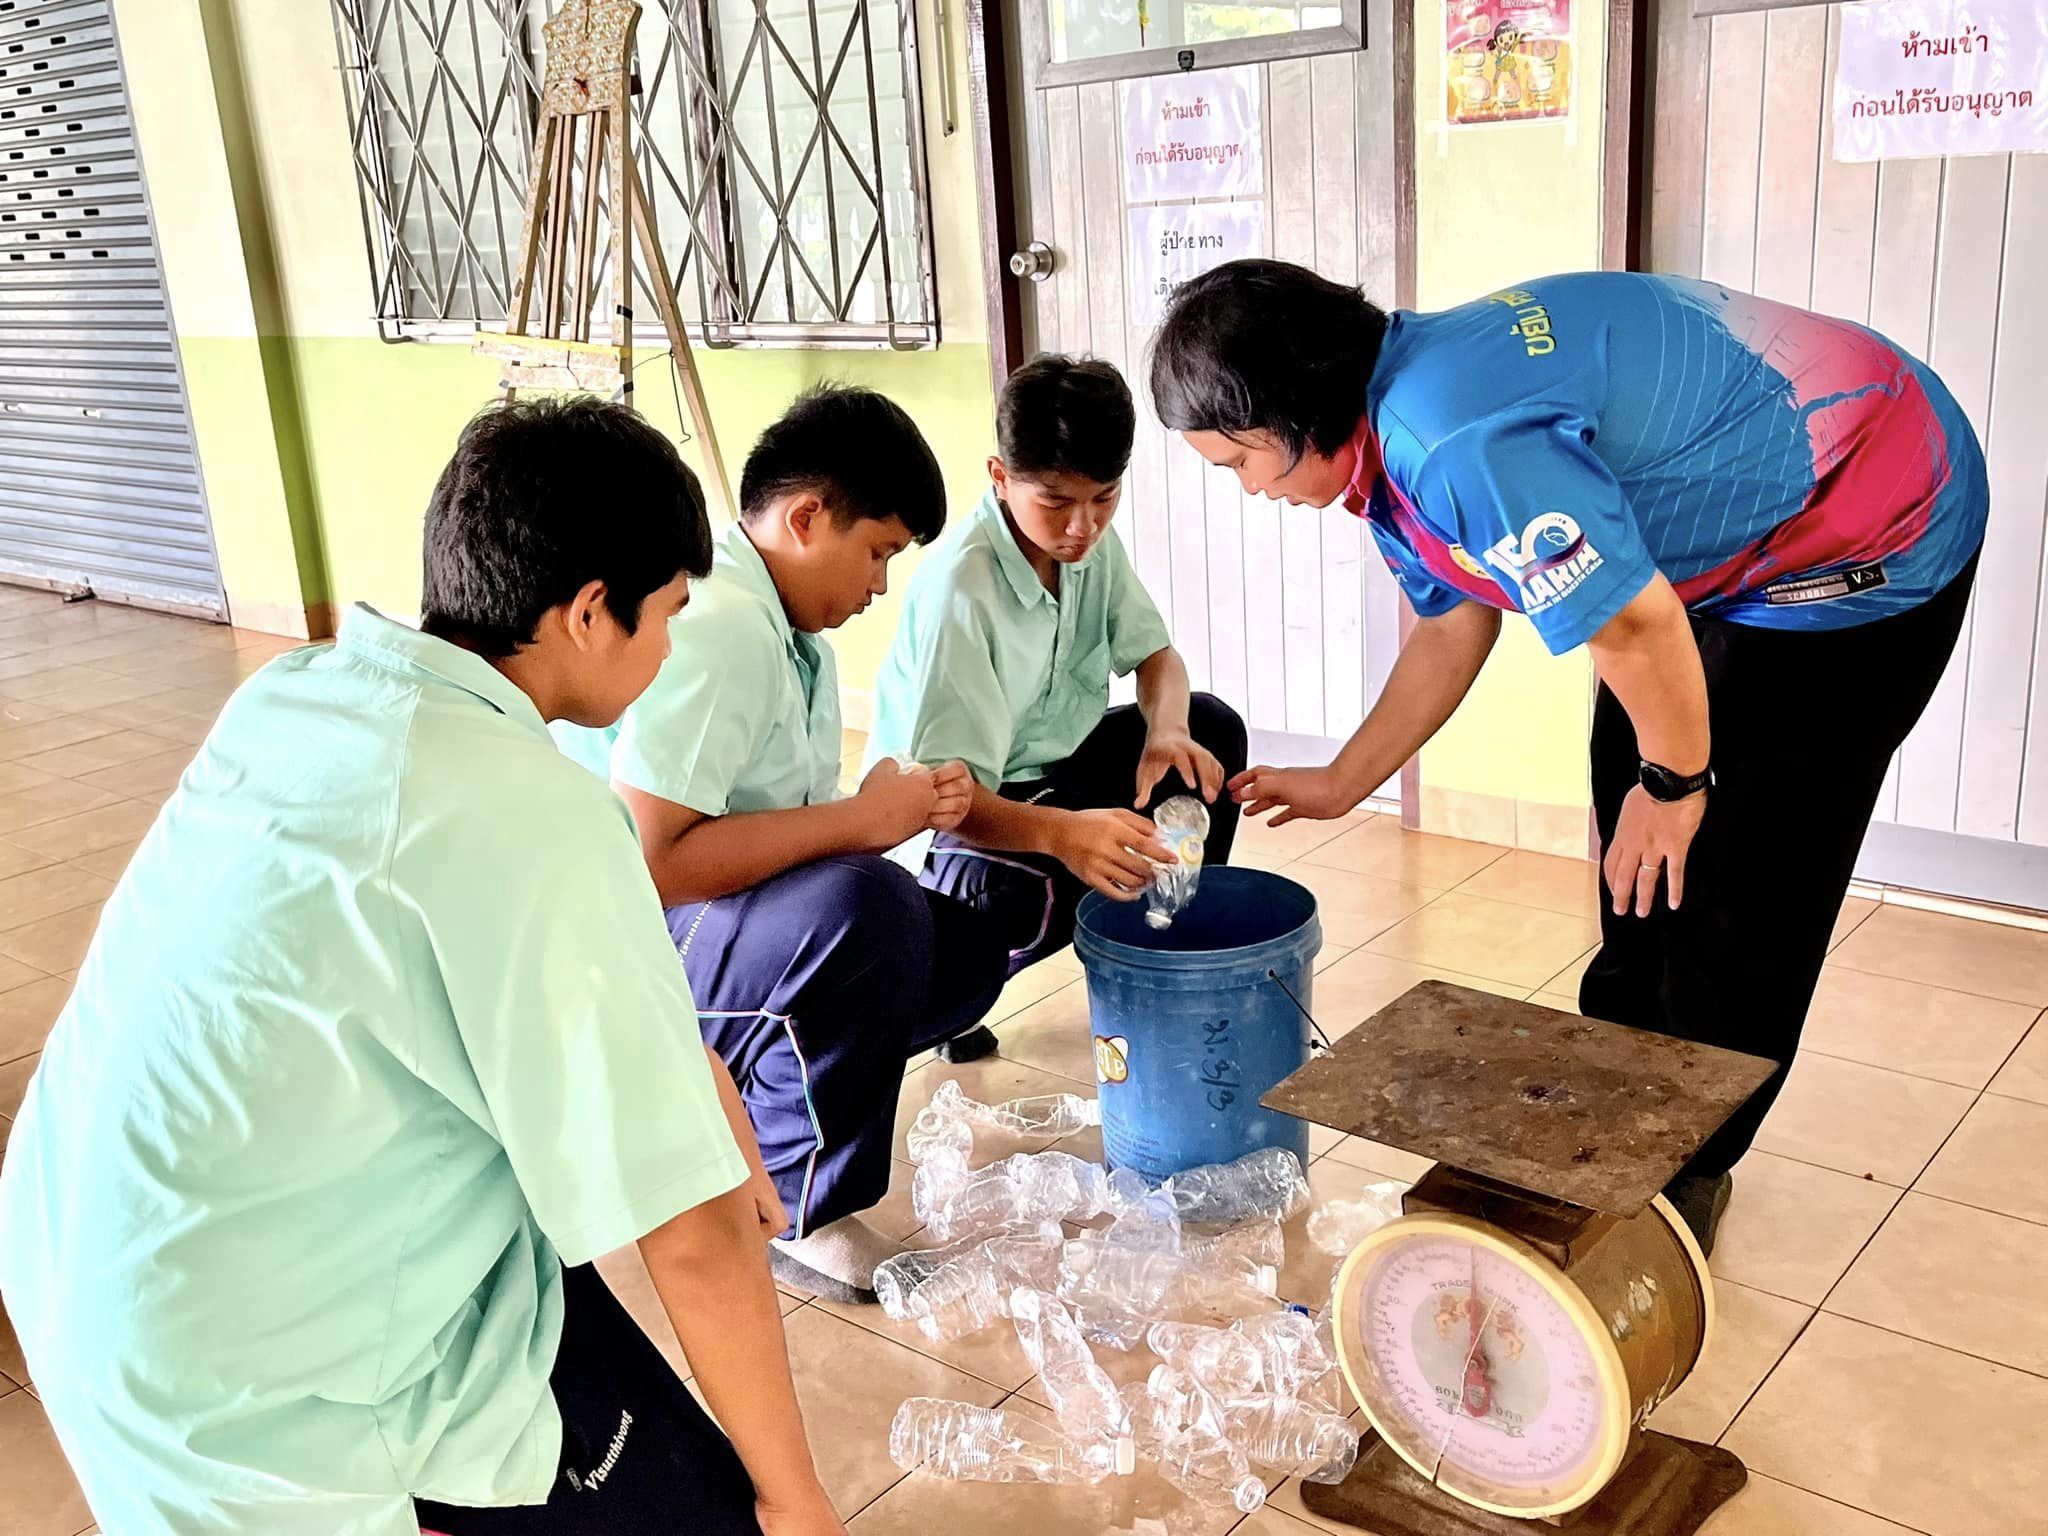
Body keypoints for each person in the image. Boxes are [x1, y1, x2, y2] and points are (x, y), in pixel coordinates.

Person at [0, 398, 844, 1536]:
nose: (669, 652)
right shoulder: (533, 811)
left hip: (86, 1266)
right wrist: (797, 1504)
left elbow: (524, 964)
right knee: (711, 1509)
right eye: (669, 617)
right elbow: (691, 1232)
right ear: (590, 612)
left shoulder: (299, 694)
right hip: (252, 1390)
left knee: (560, 1281)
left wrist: (690, 1065)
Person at [1149, 260, 1988, 1252]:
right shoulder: (1383, 435)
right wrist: (1342, 781)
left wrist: (1677, 784)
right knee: (1623, 793)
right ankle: (1622, 1083)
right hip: (1737, 552)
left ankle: (1688, 1174)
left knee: (1735, 870)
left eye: (1236, 461)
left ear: (1295, 408)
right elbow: (1448, 624)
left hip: (1873, 521)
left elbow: (1633, 629)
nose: (1246, 489)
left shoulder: (1454, 441)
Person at [553, 384, 1008, 1306]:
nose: (879, 585)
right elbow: (651, 858)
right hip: (613, 954)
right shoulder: (721, 626)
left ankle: (756, 1096)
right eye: (876, 552)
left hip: (688, 920)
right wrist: (861, 823)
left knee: (955, 950)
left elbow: (768, 820)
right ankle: (802, 1211)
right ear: (806, 518)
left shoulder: (788, 634)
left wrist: (886, 807)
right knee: (868, 911)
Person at [867, 354, 1248, 975]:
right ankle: (955, 982)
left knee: (1207, 732)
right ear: (1000, 477)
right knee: (1033, 889)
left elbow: (1155, 655)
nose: (1084, 526)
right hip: (961, 814)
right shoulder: (960, 589)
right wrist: (1062, 834)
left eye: (1105, 498)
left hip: (1057, 770)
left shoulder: (1089, 546)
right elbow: (944, 798)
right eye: (1056, 502)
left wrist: (1167, 731)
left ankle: (1169, 949)